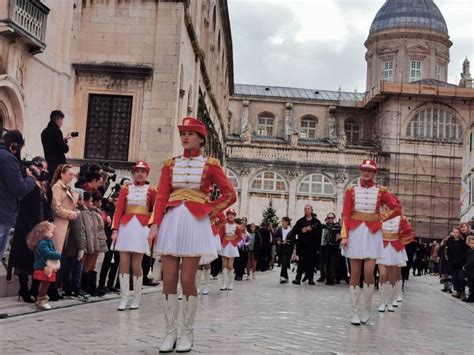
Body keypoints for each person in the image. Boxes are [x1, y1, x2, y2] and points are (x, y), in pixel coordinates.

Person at [147, 117, 236, 353]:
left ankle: (187, 331)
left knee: (187, 280)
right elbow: (161, 198)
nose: (185, 137)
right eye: (182, 133)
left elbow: (229, 194)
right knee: (168, 280)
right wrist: (155, 224)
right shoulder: (169, 164)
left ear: (201, 138)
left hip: (195, 223)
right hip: (172, 221)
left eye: (190, 133)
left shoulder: (211, 164)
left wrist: (209, 209)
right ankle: (169, 332)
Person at [340, 159, 400, 325]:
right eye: (364, 169)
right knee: (354, 273)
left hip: (372, 233)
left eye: (370, 170)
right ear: (360, 171)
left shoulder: (381, 190)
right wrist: (344, 235)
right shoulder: (351, 190)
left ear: (375, 173)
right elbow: (345, 214)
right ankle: (354, 311)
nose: (366, 172)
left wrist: (381, 217)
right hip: (354, 232)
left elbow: (396, 208)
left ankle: (367, 308)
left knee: (369, 272)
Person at [111, 161, 157, 310]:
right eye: (137, 171)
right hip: (126, 226)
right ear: (133, 173)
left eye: (143, 171)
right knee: (123, 262)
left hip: (141, 227)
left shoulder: (151, 190)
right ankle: (124, 297)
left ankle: (136, 298)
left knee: (136, 263)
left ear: (147, 174)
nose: (140, 173)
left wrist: (153, 227)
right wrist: (115, 229)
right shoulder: (125, 189)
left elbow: (157, 209)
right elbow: (118, 210)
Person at [8, 157, 48, 303]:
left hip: (40, 226)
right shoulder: (27, 182)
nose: (43, 171)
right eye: (41, 168)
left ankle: (34, 290)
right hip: (26, 226)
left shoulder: (43, 185)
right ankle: (24, 290)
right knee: (24, 258)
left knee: (39, 259)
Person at [0, 129, 36, 263]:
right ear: (14, 145)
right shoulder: (8, 159)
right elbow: (19, 189)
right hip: (2, 214)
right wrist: (31, 179)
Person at [377, 213, 414, 313]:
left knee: (393, 276)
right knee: (383, 274)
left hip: (394, 247)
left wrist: (401, 237)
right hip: (382, 246)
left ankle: (390, 301)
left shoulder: (401, 218)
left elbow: (409, 232)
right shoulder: (380, 216)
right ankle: (381, 302)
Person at [27, 221, 61, 310]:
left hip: (46, 266)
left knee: (46, 284)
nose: (52, 234)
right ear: (43, 232)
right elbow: (47, 253)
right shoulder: (43, 243)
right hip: (43, 267)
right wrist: (58, 255)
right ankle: (41, 300)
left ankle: (42, 299)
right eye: (51, 232)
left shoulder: (46, 241)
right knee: (45, 284)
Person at [61, 189, 88, 299]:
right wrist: (81, 248)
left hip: (67, 246)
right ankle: (75, 290)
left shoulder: (66, 210)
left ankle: (67, 289)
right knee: (76, 269)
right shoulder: (76, 212)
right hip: (75, 246)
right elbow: (78, 231)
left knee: (66, 269)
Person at [291, 205, 323, 285]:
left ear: (312, 210)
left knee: (311, 263)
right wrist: (302, 230)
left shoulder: (316, 222)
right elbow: (294, 230)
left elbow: (320, 233)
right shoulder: (300, 221)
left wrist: (311, 230)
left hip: (312, 246)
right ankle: (298, 278)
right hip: (302, 245)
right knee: (301, 262)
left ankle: (310, 279)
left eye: (308, 209)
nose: (307, 210)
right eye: (305, 209)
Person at [41, 110, 75, 178]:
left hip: (50, 166)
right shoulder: (56, 131)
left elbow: (54, 146)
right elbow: (64, 148)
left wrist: (65, 139)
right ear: (58, 119)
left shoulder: (44, 132)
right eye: (62, 120)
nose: (62, 123)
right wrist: (65, 144)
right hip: (59, 167)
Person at [218, 208, 242, 291]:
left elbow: (240, 237)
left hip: (232, 246)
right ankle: (224, 283)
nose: (231, 216)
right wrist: (219, 245)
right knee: (224, 265)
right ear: (227, 215)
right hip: (224, 245)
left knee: (230, 265)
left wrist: (234, 241)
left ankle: (231, 283)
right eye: (229, 214)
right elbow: (220, 236)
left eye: (232, 214)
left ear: (234, 216)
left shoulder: (237, 226)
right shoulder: (223, 225)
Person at [321, 213, 342, 285]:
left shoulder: (337, 226)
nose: (330, 219)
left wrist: (340, 236)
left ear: (334, 218)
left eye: (332, 218)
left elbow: (342, 234)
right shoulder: (323, 226)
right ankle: (327, 279)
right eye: (329, 218)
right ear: (326, 218)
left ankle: (332, 279)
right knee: (327, 263)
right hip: (326, 246)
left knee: (333, 263)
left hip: (335, 246)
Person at [447, 227, 468, 300]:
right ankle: (457, 291)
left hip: (461, 263)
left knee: (461, 278)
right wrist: (450, 260)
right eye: (454, 232)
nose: (455, 234)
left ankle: (463, 293)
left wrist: (461, 260)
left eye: (457, 232)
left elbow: (465, 253)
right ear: (452, 233)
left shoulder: (462, 242)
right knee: (455, 278)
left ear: (459, 233)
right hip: (453, 263)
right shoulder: (450, 241)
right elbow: (448, 252)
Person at [275, 217, 293, 284]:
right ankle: (285, 277)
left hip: (288, 248)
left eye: (283, 221)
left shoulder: (291, 230)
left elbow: (293, 240)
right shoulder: (279, 229)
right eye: (282, 221)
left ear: (287, 222)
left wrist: (287, 241)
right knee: (283, 263)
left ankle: (282, 276)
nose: (282, 223)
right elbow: (275, 237)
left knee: (284, 262)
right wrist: (278, 240)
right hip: (280, 248)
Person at [462, 235, 474, 302]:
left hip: (472, 270)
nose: (472, 244)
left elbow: (472, 261)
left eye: (473, 243)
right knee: (471, 284)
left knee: (472, 285)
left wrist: (465, 267)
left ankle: (471, 298)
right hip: (470, 271)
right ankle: (471, 297)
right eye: (471, 243)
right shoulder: (470, 250)